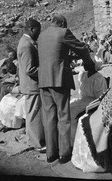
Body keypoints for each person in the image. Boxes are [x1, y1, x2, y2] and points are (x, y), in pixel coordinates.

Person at [38, 14, 96, 164]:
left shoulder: (42, 35)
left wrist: (67, 58)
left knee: (49, 117)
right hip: (58, 79)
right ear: (63, 23)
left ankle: (51, 153)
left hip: (43, 80)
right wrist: (88, 62)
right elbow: (81, 48)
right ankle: (64, 153)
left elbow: (53, 55)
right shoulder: (63, 32)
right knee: (63, 115)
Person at [17, 19, 45, 151]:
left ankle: (34, 139)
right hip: (32, 86)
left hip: (31, 85)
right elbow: (30, 69)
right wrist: (46, 70)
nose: (39, 34)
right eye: (38, 31)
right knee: (34, 115)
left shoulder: (27, 42)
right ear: (32, 29)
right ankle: (36, 143)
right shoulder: (26, 45)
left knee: (33, 114)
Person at [70, 63, 108, 146]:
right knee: (68, 107)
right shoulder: (83, 75)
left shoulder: (99, 78)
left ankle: (72, 142)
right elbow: (81, 92)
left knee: (71, 113)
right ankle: (68, 139)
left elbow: (100, 97)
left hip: (93, 101)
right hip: (84, 99)